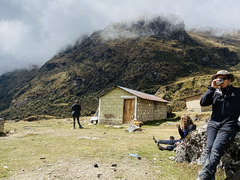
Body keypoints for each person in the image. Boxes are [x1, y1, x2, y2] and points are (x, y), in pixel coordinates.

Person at [197, 70, 240, 180]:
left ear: (229, 80)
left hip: (228, 125)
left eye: (223, 79)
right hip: (213, 124)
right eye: (218, 79)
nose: (221, 81)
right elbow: (203, 102)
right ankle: (208, 176)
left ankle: (204, 175)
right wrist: (212, 88)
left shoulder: (237, 92)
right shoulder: (214, 92)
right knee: (208, 149)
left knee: (216, 150)